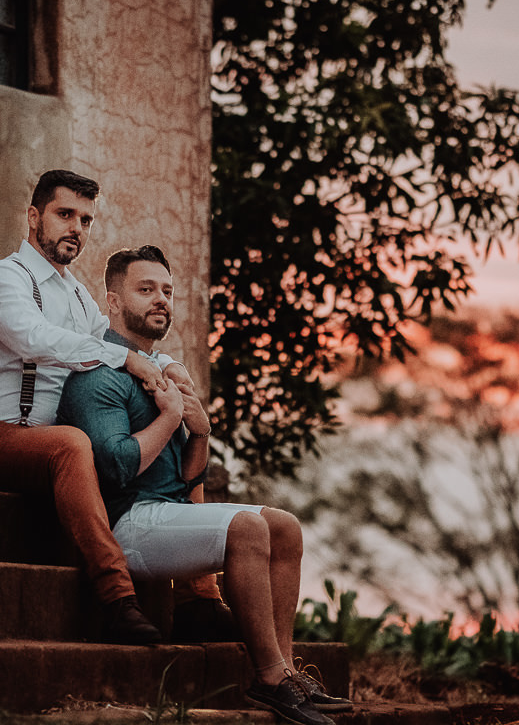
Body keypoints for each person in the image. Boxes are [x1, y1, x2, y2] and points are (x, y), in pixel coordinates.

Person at [56, 245, 353, 725]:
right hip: (123, 522)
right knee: (246, 528)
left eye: (167, 291)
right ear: (112, 302)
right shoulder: (98, 377)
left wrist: (200, 431)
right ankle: (269, 678)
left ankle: (289, 670)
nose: (161, 300)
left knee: (284, 526)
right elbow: (115, 468)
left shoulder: (164, 371)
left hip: (167, 514)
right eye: (146, 289)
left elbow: (187, 477)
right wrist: (171, 415)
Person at [0, 170, 231, 645]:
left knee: (157, 414)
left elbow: (111, 340)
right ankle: (117, 598)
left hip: (62, 450)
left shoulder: (78, 295)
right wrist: (129, 359)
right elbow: (35, 338)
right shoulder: (5, 277)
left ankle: (200, 598)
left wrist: (169, 368)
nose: (76, 229)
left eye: (85, 220)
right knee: (75, 442)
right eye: (65, 215)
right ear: (33, 217)